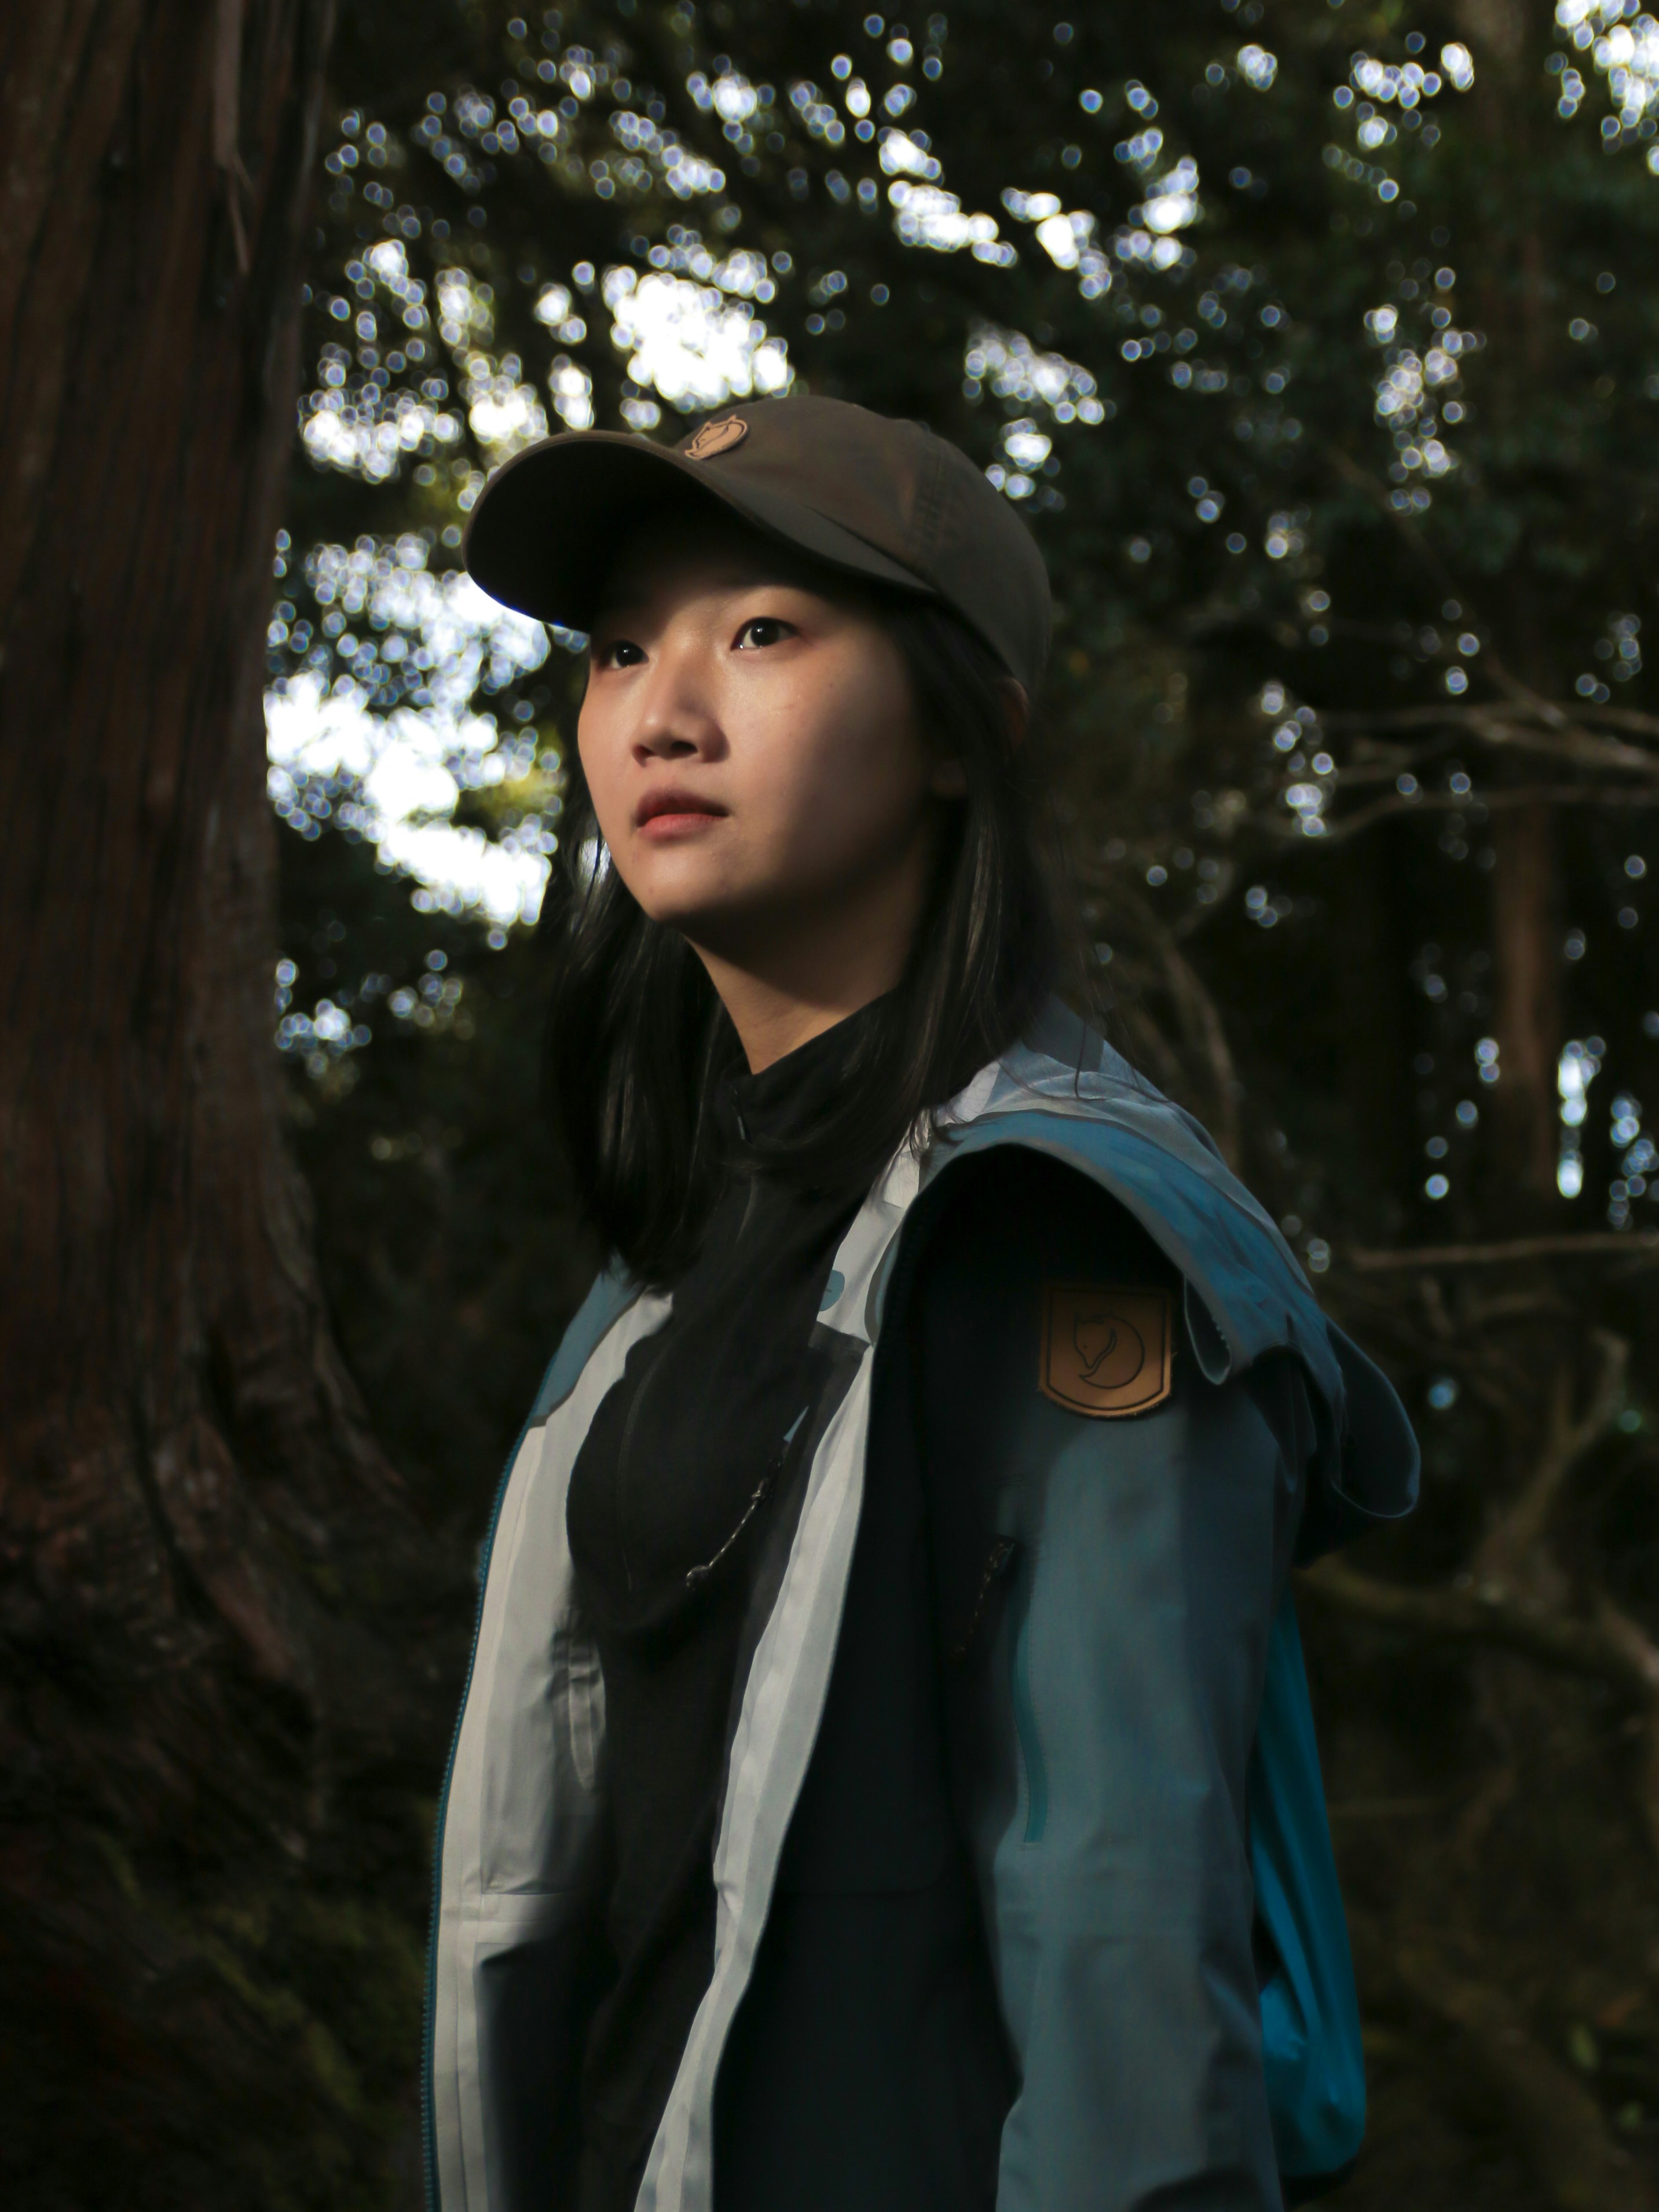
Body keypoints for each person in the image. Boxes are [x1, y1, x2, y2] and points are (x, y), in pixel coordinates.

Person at [422, 395, 1418, 2212]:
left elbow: (1119, 1942)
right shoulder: (656, 1284)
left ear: (961, 733)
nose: (662, 712)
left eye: (763, 633)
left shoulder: (1060, 1231)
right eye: (622, 649)